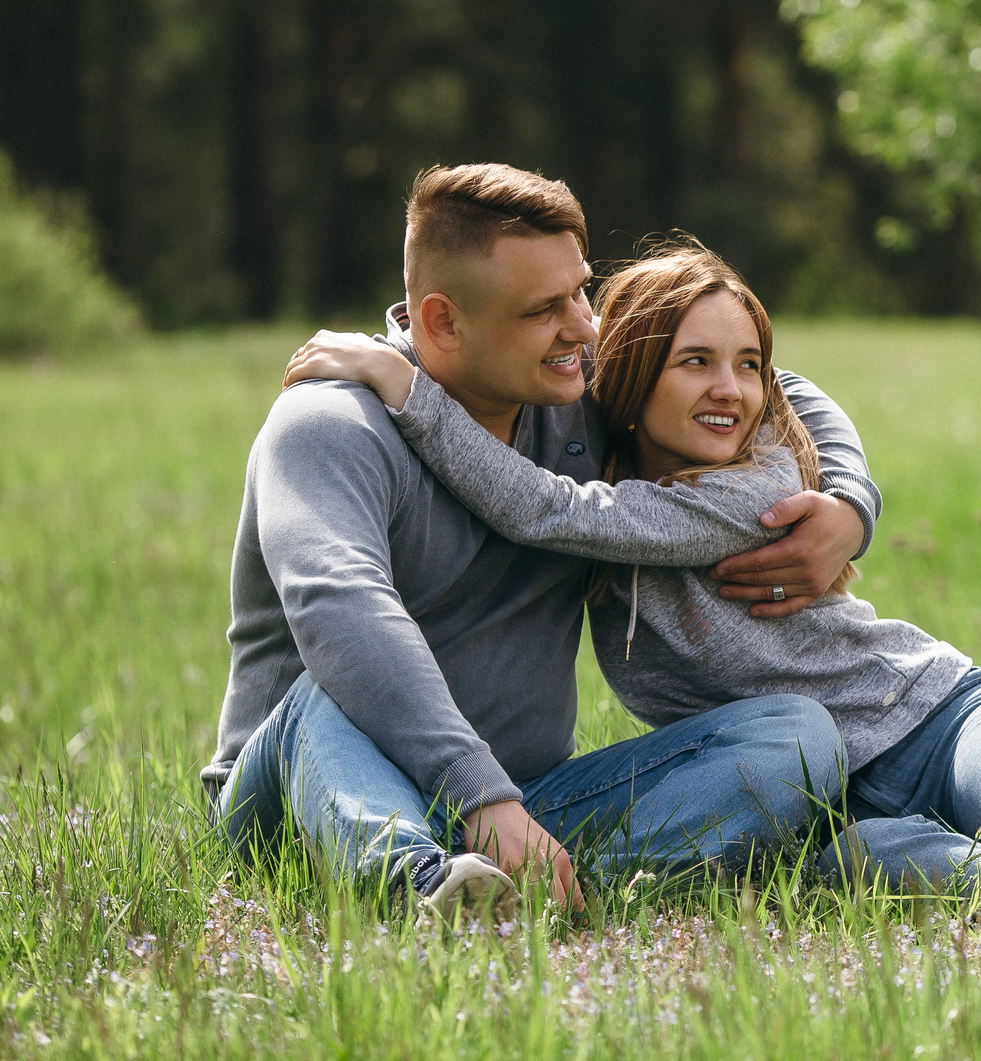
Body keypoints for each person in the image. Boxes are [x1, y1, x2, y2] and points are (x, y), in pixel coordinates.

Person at [289, 239, 981, 919]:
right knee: (950, 881)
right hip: (827, 799)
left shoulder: (753, 488)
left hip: (937, 719)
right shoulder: (596, 466)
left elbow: (547, 510)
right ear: (634, 373)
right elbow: (563, 481)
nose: (731, 388)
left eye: (747, 364)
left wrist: (404, 388)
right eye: (694, 363)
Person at [210, 164, 873, 922]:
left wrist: (852, 502)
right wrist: (476, 790)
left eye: (581, 290)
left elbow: (773, 382)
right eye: (544, 310)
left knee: (796, 735)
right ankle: (415, 886)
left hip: (523, 805)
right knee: (324, 692)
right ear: (441, 323)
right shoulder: (329, 425)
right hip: (306, 795)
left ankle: (527, 893)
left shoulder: (569, 392)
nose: (586, 327)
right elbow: (344, 613)